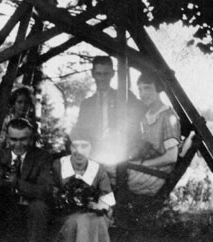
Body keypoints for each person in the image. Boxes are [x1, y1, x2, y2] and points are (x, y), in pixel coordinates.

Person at [115, 71, 181, 229]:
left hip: (158, 174)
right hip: (144, 169)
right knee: (104, 170)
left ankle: (114, 222)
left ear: (158, 89)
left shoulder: (168, 117)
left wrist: (143, 164)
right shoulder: (146, 116)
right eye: (140, 89)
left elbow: (172, 157)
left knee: (108, 174)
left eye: (147, 88)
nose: (143, 94)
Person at [74, 56, 145, 183]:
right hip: (95, 158)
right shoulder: (86, 104)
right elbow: (80, 134)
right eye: (98, 74)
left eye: (106, 74)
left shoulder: (125, 97)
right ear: (93, 74)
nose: (102, 78)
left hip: (121, 158)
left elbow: (145, 114)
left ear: (112, 74)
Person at [52, 132, 116, 242]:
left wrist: (101, 205)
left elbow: (108, 206)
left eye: (84, 146)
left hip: (94, 216)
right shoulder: (59, 165)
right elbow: (51, 195)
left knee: (92, 220)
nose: (79, 151)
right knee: (84, 221)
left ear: (92, 148)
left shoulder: (97, 169)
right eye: (74, 146)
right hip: (66, 218)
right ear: (69, 147)